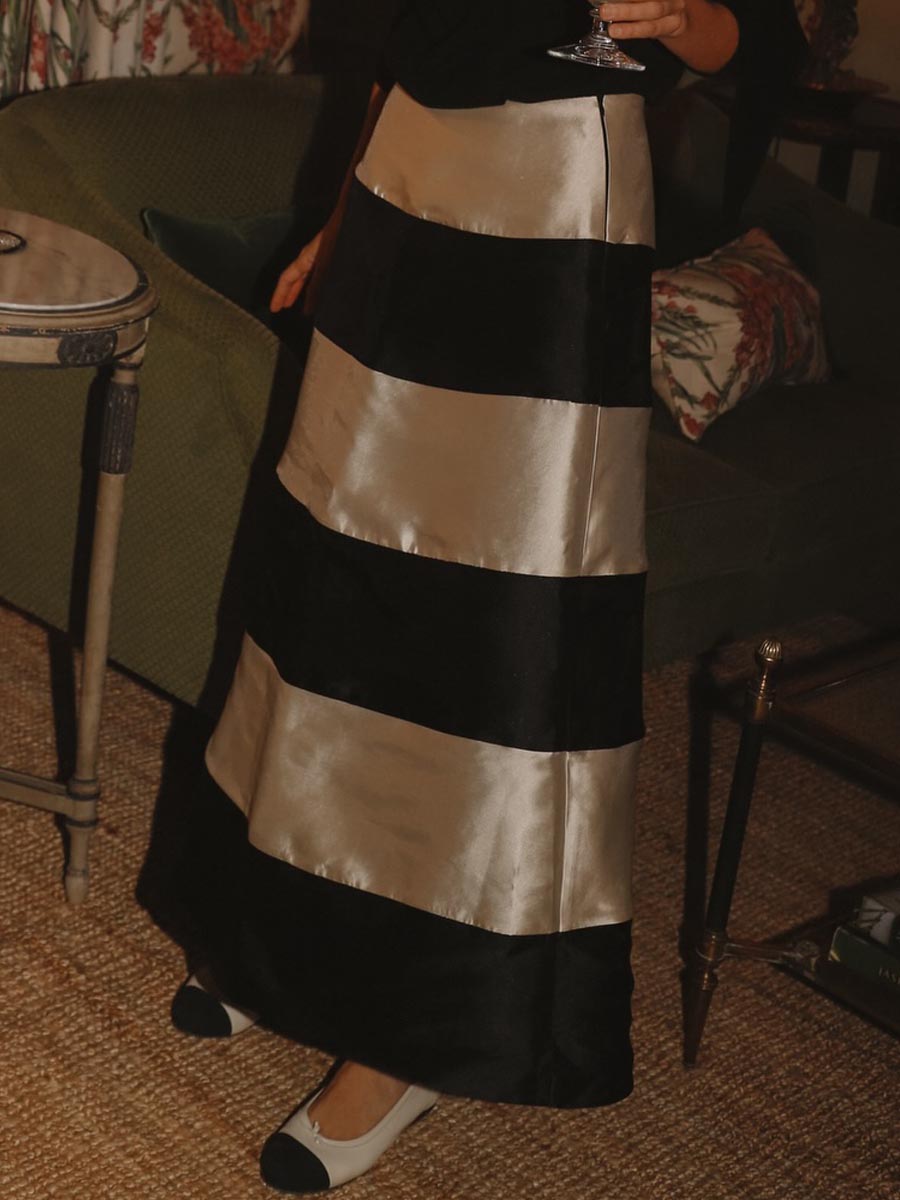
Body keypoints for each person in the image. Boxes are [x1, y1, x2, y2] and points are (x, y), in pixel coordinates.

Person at [169, 1, 784, 1193]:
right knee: (333, 580)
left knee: (483, 625)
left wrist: (689, 16)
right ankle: (284, 935)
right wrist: (344, 213)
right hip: (405, 174)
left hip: (555, 198)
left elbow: (759, 40)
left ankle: (417, 1036)